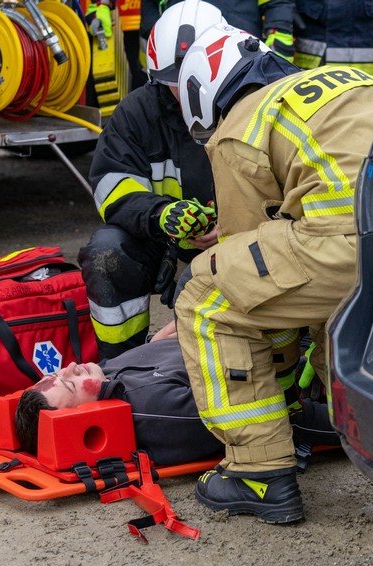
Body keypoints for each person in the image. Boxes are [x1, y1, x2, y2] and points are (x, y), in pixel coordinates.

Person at [173, 24, 373, 523]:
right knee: (344, 323)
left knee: (205, 297)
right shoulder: (350, 79)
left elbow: (245, 264)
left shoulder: (240, 125)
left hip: (347, 247)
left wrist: (280, 379)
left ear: (204, 94)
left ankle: (258, 474)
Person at [79, 0, 225, 361]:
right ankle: (120, 365)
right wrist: (161, 214)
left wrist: (231, 225)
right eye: (173, 83)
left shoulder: (251, 103)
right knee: (107, 252)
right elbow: (112, 186)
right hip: (163, 241)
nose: (184, 91)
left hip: (237, 243)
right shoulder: (138, 111)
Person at [14, 333, 337, 467]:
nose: (71, 366)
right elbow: (260, 412)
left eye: (59, 372)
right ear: (86, 417)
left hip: (275, 341)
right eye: (70, 384)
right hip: (302, 375)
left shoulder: (105, 375)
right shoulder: (154, 413)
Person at [140, 0, 299, 64]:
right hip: (180, 55)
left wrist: (277, 55)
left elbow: (277, 4)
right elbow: (150, 10)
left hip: (241, 54)